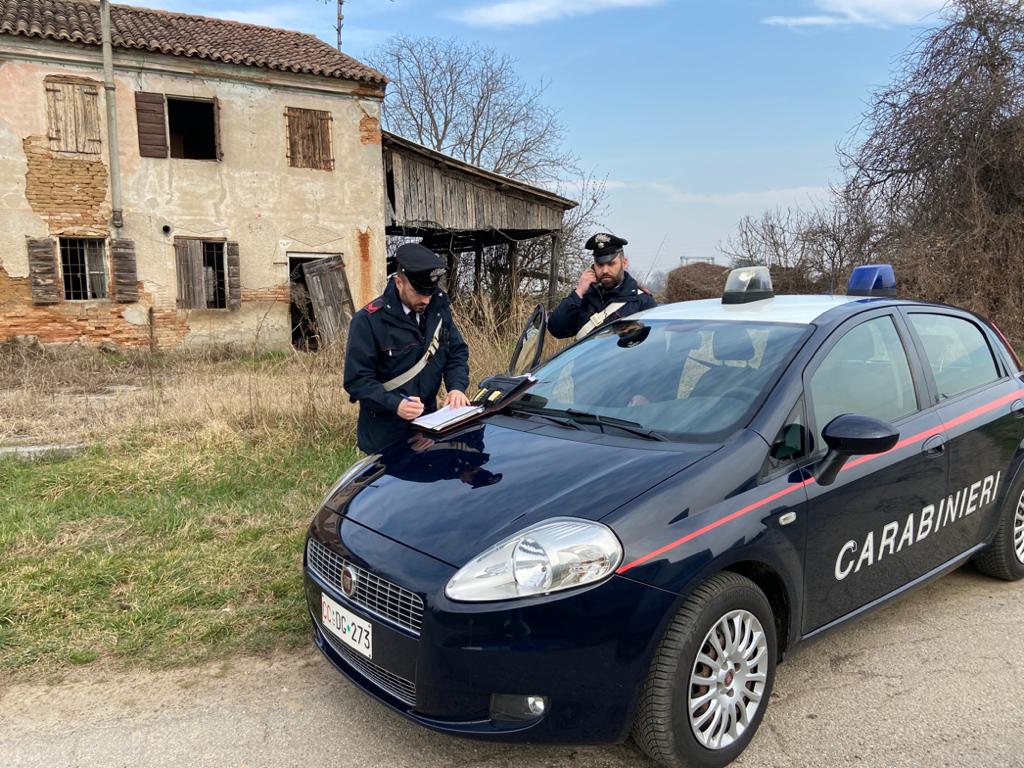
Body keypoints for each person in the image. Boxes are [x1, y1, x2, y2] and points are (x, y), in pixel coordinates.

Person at [344, 243, 471, 454]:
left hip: (428, 428)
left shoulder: (438, 311)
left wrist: (457, 387)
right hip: (384, 435)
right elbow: (357, 380)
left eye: (430, 293)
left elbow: (456, 352)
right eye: (418, 292)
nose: (425, 300)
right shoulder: (368, 321)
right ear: (398, 282)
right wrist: (395, 405)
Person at [548, 232, 657, 340]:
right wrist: (579, 292)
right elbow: (557, 330)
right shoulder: (583, 297)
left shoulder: (641, 301)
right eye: (600, 265)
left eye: (611, 264)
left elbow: (654, 342)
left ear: (624, 263)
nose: (605, 270)